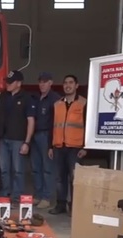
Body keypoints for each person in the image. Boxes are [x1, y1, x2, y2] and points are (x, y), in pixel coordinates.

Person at [47, 74, 87, 216]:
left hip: (75, 148)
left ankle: (74, 207)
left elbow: (88, 126)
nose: (67, 85)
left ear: (76, 85)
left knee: (74, 178)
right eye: (65, 83)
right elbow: (52, 126)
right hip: (58, 146)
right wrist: (50, 146)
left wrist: (86, 147)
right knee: (59, 178)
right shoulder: (57, 104)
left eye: (71, 83)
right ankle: (61, 205)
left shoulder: (83, 103)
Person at [0, 70, 35, 205]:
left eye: (11, 82)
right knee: (4, 170)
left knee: (18, 170)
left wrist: (27, 142)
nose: (8, 84)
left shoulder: (27, 98)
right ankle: (5, 195)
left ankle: (17, 196)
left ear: (19, 83)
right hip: (3, 140)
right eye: (7, 82)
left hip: (18, 140)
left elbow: (31, 121)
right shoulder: (3, 96)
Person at [31, 72, 61, 209]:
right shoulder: (36, 98)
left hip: (47, 136)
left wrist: (51, 144)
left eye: (45, 82)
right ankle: (38, 195)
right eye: (40, 82)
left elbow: (56, 123)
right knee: (36, 168)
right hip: (35, 135)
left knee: (47, 169)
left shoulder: (55, 99)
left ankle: (47, 197)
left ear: (51, 83)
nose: (42, 84)